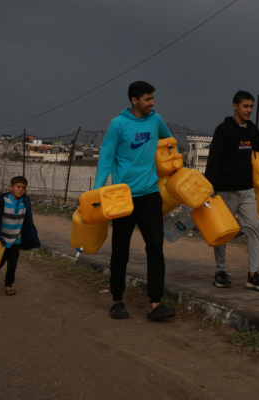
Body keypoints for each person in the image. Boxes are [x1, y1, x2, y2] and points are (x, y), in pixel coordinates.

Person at [95, 81, 176, 321]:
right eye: (148, 99)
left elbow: (169, 144)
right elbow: (106, 158)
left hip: (151, 195)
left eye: (152, 99)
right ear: (134, 100)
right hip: (122, 197)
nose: (152, 103)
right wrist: (96, 193)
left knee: (155, 248)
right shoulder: (118, 124)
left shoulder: (156, 120)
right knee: (121, 250)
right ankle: (117, 300)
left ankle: (155, 303)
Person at [205, 91, 259, 291]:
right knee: (223, 233)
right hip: (225, 191)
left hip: (247, 190)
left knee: (253, 230)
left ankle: (253, 275)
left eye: (251, 106)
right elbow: (213, 160)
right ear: (235, 106)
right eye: (245, 106)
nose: (249, 110)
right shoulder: (223, 130)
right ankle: (220, 272)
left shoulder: (252, 130)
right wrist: (209, 189)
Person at [0, 176, 41, 295]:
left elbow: (28, 220)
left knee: (12, 264)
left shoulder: (25, 202)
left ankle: (8, 285)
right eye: (18, 187)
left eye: (23, 188)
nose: (20, 189)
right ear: (11, 188)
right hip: (1, 239)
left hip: (16, 239)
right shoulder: (1, 201)